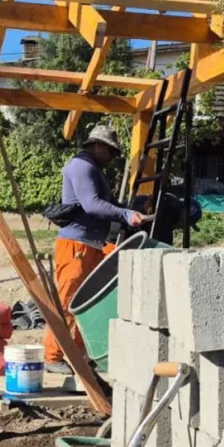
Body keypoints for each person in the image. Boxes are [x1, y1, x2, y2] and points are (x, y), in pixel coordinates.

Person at [44, 124, 143, 374]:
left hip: (89, 245)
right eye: (110, 151)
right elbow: (92, 205)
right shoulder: (82, 166)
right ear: (98, 146)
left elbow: (105, 204)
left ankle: (75, 356)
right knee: (67, 303)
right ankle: (53, 356)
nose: (111, 158)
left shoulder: (92, 168)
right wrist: (124, 213)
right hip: (76, 246)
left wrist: (127, 211)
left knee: (83, 305)